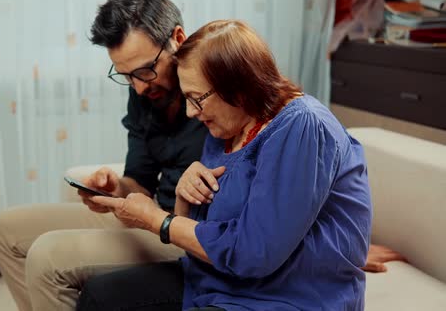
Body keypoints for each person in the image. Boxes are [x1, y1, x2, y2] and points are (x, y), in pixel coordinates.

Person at [76, 20, 373, 311]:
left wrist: (157, 220)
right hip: (216, 283)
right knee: (98, 296)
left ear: (239, 88)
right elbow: (195, 236)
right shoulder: (225, 132)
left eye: (196, 99)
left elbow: (255, 253)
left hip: (286, 297)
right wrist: (183, 194)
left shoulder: (302, 126)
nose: (191, 112)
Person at [0, 0, 205, 311]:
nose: (140, 87)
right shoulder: (144, 93)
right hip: (149, 214)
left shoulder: (215, 90)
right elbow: (139, 182)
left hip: (186, 233)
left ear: (179, 38)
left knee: (49, 255)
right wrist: (115, 188)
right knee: (4, 230)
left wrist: (163, 218)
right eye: (127, 76)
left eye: (146, 70)